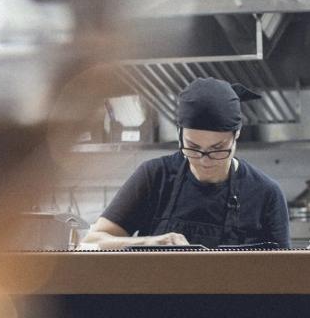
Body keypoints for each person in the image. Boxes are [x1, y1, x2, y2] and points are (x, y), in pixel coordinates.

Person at [82, 77, 291, 248]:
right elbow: (94, 241)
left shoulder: (266, 193)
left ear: (236, 135)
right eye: (193, 147)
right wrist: (149, 242)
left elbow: (283, 274)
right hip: (158, 299)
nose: (204, 160)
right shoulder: (155, 176)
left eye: (217, 149)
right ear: (180, 135)